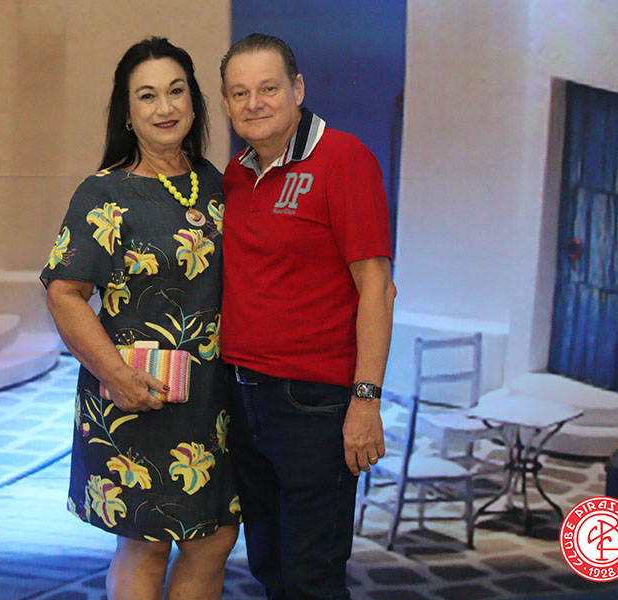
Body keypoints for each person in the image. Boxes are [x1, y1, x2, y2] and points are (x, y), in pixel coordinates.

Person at [41, 37, 240, 600]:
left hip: (214, 400)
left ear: (194, 101)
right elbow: (64, 294)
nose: (165, 107)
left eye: (176, 91)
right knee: (145, 543)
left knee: (216, 537)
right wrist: (116, 375)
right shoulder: (104, 193)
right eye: (147, 96)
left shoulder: (216, 182)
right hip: (137, 394)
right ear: (127, 114)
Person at [219, 33, 396, 600]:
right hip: (244, 399)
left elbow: (377, 288)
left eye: (268, 88)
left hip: (313, 405)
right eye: (239, 93)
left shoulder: (343, 159)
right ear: (226, 103)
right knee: (270, 569)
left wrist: (365, 400)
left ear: (297, 89)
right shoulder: (236, 174)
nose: (254, 103)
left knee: (311, 579)